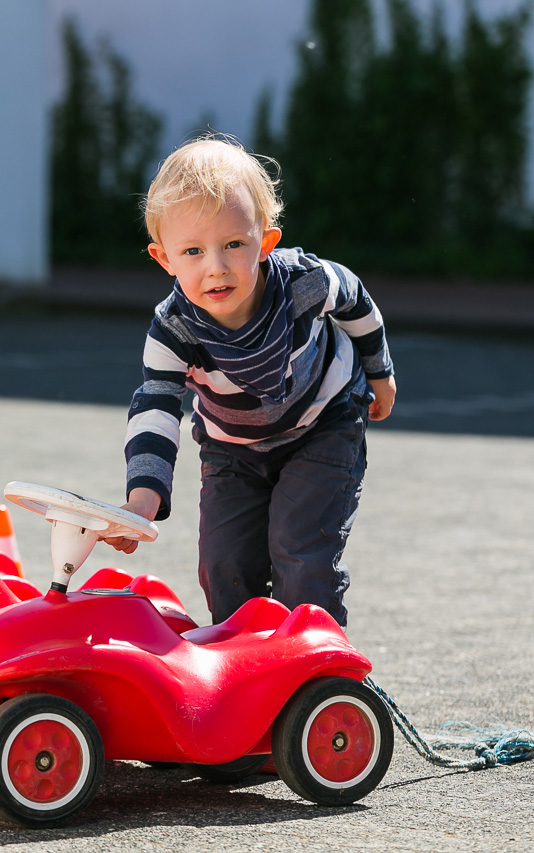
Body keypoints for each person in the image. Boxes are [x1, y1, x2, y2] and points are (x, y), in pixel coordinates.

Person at [108, 136, 396, 628]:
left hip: (322, 423)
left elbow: (356, 302)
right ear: (164, 259)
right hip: (232, 448)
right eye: (193, 251)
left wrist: (379, 372)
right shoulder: (173, 330)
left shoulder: (305, 283)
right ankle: (244, 660)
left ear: (265, 241)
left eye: (233, 245)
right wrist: (143, 497)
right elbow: (156, 407)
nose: (215, 267)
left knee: (300, 551)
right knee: (225, 567)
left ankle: (315, 659)